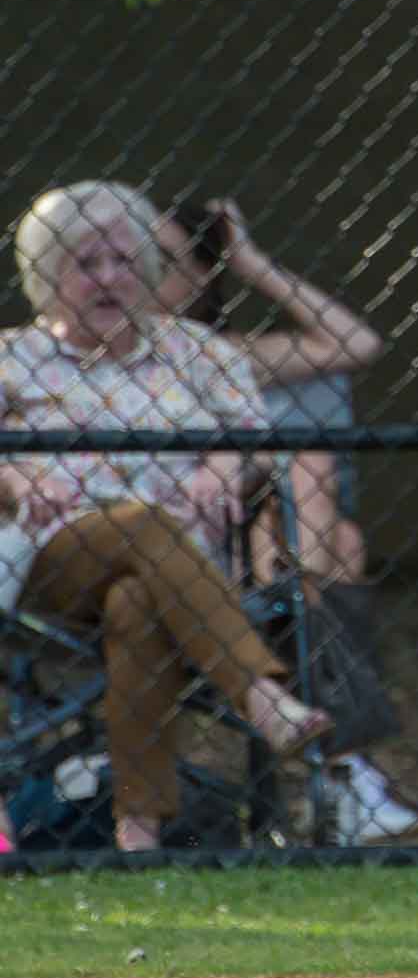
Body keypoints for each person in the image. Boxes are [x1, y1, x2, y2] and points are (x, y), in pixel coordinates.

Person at [3, 181, 333, 852]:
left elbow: (256, 448)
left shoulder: (201, 352)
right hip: (51, 558)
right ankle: (261, 692)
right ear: (44, 275)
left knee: (136, 601)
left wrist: (224, 463)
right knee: (144, 523)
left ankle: (138, 834)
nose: (107, 278)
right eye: (84, 262)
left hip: (183, 576)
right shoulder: (11, 356)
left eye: (123, 262)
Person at [154, 198, 412, 841]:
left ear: (200, 279)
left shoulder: (225, 355)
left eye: (162, 261)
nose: (133, 274)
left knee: (323, 506)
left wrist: (252, 263)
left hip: (254, 549)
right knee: (331, 533)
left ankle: (341, 766)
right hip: (161, 546)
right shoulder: (77, 363)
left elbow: (357, 343)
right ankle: (347, 769)